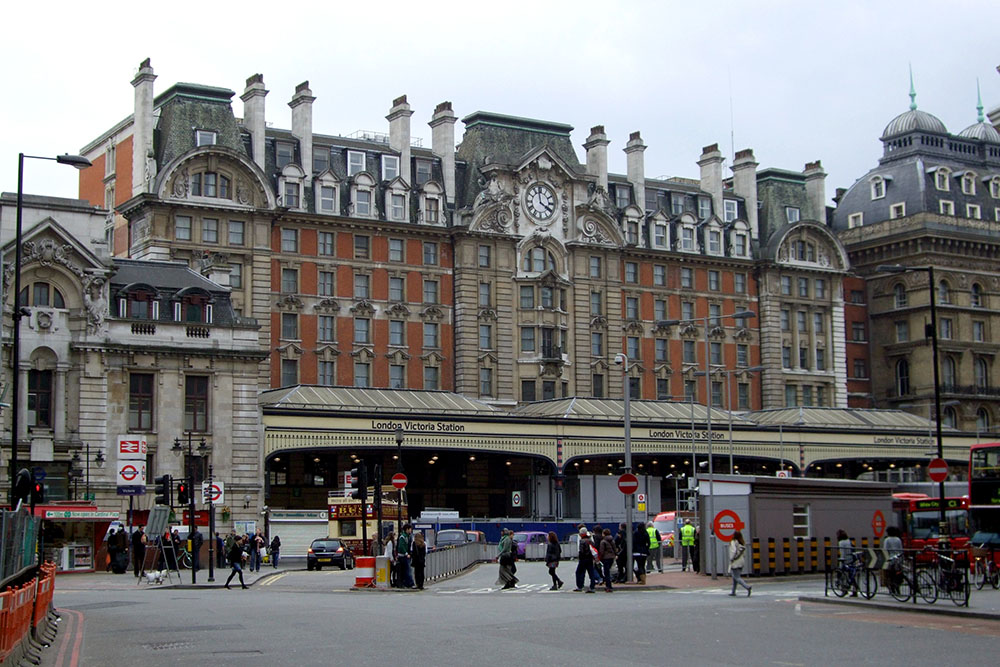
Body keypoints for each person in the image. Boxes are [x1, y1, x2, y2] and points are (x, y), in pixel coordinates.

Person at [728, 530, 752, 596]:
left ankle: (747, 587)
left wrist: (732, 558)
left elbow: (733, 551)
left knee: (737, 577)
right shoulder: (742, 542)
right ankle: (733, 591)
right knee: (735, 577)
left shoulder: (733, 542)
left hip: (735, 561)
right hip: (741, 561)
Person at [574, 527, 598, 593]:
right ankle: (592, 587)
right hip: (590, 559)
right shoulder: (590, 540)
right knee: (591, 573)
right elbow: (594, 547)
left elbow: (581, 551)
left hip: (583, 559)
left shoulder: (582, 541)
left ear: (582, 534)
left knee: (579, 572)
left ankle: (580, 586)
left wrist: (580, 558)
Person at [837, 528, 859, 597]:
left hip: (845, 560)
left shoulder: (841, 543)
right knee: (851, 576)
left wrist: (841, 561)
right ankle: (855, 590)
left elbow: (842, 553)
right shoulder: (849, 541)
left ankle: (844, 590)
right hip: (851, 560)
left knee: (841, 575)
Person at [598, 528, 616, 592]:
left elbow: (601, 551)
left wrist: (600, 558)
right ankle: (609, 585)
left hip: (606, 558)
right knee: (608, 571)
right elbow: (615, 549)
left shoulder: (603, 541)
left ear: (604, 534)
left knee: (606, 573)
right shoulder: (612, 540)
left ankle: (608, 586)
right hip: (611, 557)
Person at [397, 524, 414, 588]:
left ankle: (406, 583)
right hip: (403, 556)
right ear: (407, 529)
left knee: (406, 570)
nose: (411, 530)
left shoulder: (407, 536)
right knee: (408, 570)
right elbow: (401, 546)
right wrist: (406, 553)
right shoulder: (403, 537)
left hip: (404, 555)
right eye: (410, 529)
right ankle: (410, 583)